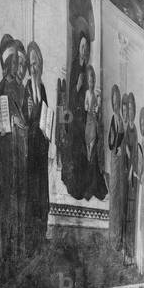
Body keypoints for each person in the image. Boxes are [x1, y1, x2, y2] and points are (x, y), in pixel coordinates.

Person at [0, 33, 28, 268]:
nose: (18, 66)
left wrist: (22, 122)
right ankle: (8, 248)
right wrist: (13, 120)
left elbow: (24, 115)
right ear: (8, 63)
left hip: (21, 146)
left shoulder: (20, 86)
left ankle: (19, 246)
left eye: (20, 62)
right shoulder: (4, 85)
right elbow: (1, 119)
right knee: (10, 195)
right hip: (8, 149)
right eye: (15, 62)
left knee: (20, 194)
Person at [25, 40, 50, 253]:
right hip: (31, 147)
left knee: (42, 191)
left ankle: (42, 234)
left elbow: (47, 114)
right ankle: (33, 238)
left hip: (41, 146)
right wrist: (31, 112)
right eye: (30, 64)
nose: (33, 68)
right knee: (33, 190)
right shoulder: (27, 87)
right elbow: (27, 117)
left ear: (40, 64)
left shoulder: (42, 87)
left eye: (36, 64)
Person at [62, 19, 91, 200]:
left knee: (83, 151)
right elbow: (70, 96)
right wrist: (78, 87)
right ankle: (73, 185)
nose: (84, 50)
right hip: (73, 116)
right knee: (75, 149)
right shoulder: (74, 66)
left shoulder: (86, 69)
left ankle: (81, 185)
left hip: (83, 116)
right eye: (82, 47)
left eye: (86, 48)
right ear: (78, 48)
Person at [83, 65, 107, 201]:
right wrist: (88, 108)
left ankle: (92, 186)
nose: (92, 82)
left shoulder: (96, 94)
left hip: (93, 123)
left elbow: (97, 110)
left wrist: (96, 109)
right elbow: (86, 106)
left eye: (93, 80)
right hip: (88, 122)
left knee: (92, 152)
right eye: (90, 80)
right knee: (87, 152)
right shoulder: (87, 93)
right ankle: (88, 184)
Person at [122, 91, 139, 264]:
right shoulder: (128, 128)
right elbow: (127, 150)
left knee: (131, 215)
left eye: (132, 108)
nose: (131, 112)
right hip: (127, 175)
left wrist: (131, 170)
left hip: (132, 178)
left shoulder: (134, 131)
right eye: (129, 108)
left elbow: (134, 153)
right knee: (126, 213)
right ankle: (126, 253)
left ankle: (131, 253)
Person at [107, 85, 124, 250]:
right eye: (114, 100)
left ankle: (118, 240)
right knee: (114, 196)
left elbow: (121, 138)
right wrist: (115, 147)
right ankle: (113, 238)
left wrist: (120, 146)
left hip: (120, 161)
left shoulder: (121, 119)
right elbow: (110, 142)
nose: (116, 102)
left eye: (117, 100)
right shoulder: (114, 118)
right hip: (114, 160)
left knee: (119, 196)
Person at [135, 107, 144, 275]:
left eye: (143, 122)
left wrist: (142, 176)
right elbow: (140, 166)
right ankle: (142, 261)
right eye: (141, 122)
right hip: (142, 186)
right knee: (141, 222)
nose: (142, 125)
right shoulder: (142, 142)